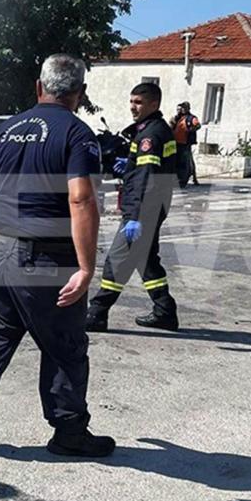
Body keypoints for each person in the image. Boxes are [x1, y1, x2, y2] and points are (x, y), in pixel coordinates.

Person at [0, 54, 114, 457]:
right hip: (45, 261)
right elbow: (81, 198)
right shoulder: (77, 134)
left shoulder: (6, 128)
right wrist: (86, 267)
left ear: (39, 87)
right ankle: (69, 432)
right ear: (80, 93)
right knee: (64, 345)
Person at [86, 83, 179, 332]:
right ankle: (165, 311)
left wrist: (134, 217)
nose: (133, 107)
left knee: (118, 259)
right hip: (153, 206)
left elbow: (146, 178)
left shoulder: (150, 135)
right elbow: (147, 170)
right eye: (131, 101)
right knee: (146, 260)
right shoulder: (155, 130)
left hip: (143, 210)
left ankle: (97, 313)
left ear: (154, 104)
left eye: (138, 102)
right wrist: (127, 164)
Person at [170, 101, 201, 188]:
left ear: (187, 108)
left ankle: (184, 180)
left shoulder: (191, 118)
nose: (181, 110)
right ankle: (178, 179)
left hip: (185, 144)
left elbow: (198, 125)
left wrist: (190, 130)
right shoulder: (177, 118)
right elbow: (170, 126)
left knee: (185, 162)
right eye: (180, 108)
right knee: (177, 162)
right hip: (175, 143)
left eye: (183, 108)